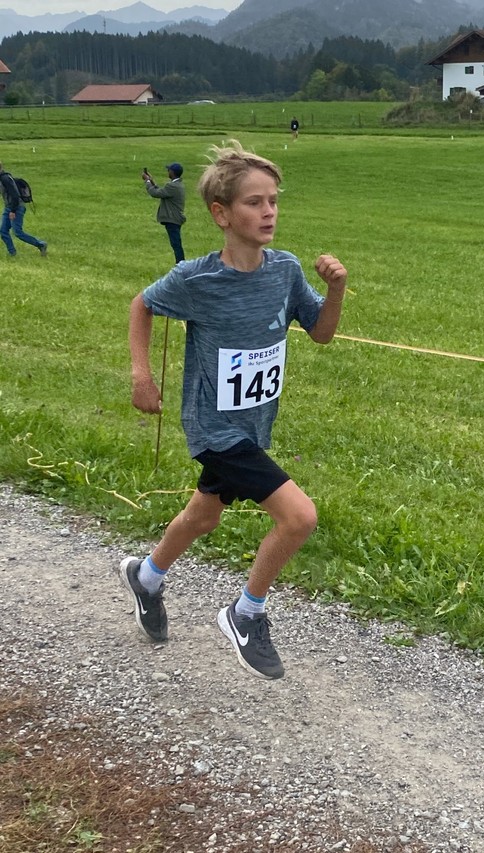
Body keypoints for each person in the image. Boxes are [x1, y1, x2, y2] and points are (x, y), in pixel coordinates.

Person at [121, 140, 348, 681]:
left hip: (253, 424)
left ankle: (146, 577)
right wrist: (140, 374)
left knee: (205, 514)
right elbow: (142, 304)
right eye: (253, 202)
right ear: (221, 214)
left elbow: (320, 334)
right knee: (299, 517)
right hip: (215, 429)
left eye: (273, 201)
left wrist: (335, 288)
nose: (268, 211)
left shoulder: (286, 270)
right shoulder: (198, 280)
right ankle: (246, 614)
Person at [0, 162, 47, 258]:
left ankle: (41, 244)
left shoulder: (5, 179)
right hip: (8, 207)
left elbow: (15, 195)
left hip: (16, 207)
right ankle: (12, 253)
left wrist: (13, 211)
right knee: (3, 231)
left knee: (17, 232)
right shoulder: (2, 179)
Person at [142, 162, 186, 264]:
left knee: (176, 244)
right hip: (175, 218)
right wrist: (152, 181)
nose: (167, 172)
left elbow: (155, 193)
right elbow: (162, 192)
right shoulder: (177, 184)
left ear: (172, 172)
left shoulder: (173, 186)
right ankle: (181, 264)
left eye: (169, 170)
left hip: (173, 219)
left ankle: (181, 265)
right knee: (176, 243)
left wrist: (147, 181)